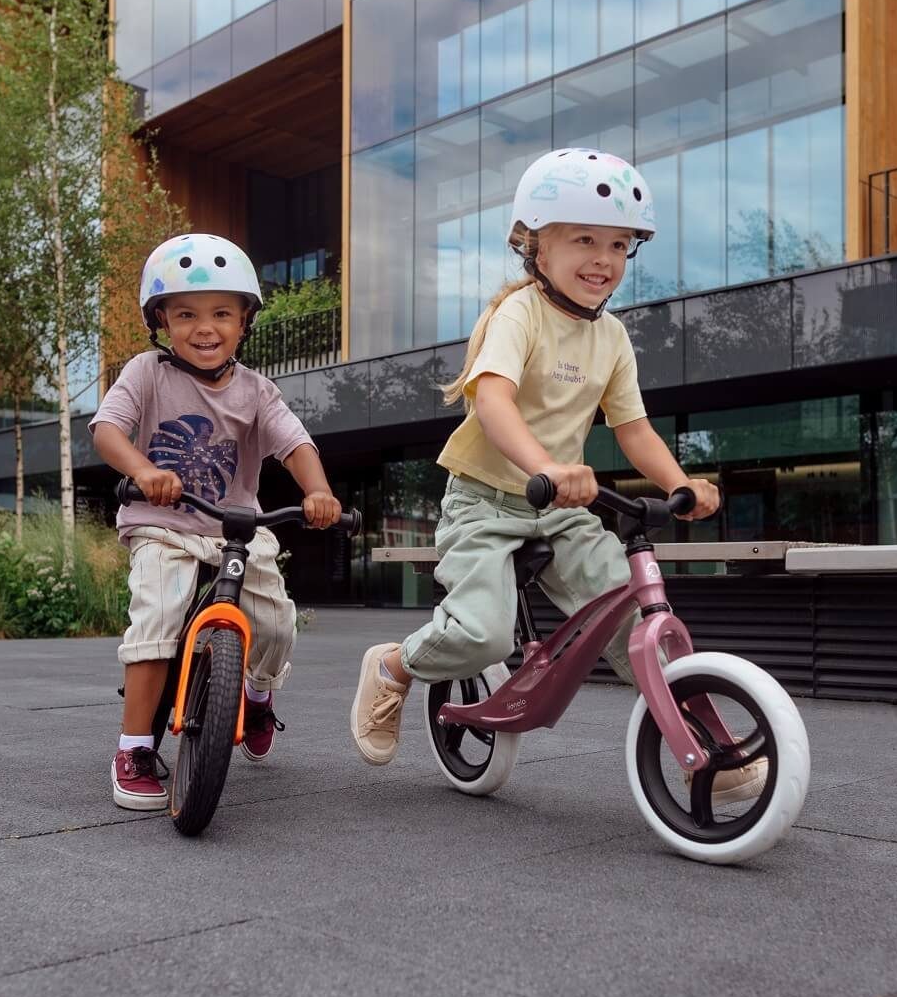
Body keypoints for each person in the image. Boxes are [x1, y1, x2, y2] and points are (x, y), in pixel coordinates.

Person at [346, 148, 760, 798]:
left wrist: (680, 483)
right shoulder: (520, 314)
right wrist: (547, 466)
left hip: (560, 508)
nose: (604, 259)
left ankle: (702, 747)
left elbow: (633, 429)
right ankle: (396, 665)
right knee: (482, 635)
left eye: (619, 245)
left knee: (633, 615)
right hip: (484, 500)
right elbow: (494, 402)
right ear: (535, 244)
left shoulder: (612, 336)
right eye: (584, 239)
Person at [91, 232, 344, 811]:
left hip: (234, 528)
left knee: (276, 623)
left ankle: (257, 695)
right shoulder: (147, 373)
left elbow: (294, 444)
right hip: (161, 526)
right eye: (186, 315)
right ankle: (134, 749)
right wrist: (142, 469)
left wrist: (319, 490)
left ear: (244, 321)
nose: (205, 328)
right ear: (161, 321)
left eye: (221, 314)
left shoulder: (257, 391)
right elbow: (107, 430)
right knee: (156, 621)